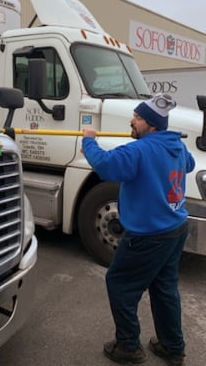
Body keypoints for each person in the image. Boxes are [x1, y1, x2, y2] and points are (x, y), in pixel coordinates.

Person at [81, 93, 195, 366]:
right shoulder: (177, 147)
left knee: (119, 284)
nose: (132, 121)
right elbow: (189, 164)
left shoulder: (137, 151)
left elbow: (105, 164)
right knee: (164, 287)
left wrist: (88, 139)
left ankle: (128, 347)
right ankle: (172, 347)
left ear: (152, 125)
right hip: (176, 228)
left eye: (139, 118)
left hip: (148, 235)